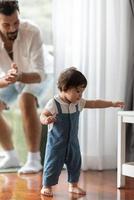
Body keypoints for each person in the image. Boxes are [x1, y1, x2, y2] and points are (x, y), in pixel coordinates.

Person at [40, 67, 124, 197]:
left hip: (73, 142)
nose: (80, 95)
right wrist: (46, 120)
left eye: (82, 92)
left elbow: (95, 103)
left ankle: (73, 185)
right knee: (52, 164)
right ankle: (47, 186)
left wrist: (112, 103)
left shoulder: (78, 103)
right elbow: (43, 115)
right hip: (56, 144)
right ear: (64, 88)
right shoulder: (54, 103)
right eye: (77, 91)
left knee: (75, 163)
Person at [0, 0, 46, 174]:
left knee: (25, 99)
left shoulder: (31, 31)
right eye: (6, 24)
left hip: (38, 77)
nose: (12, 28)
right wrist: (8, 79)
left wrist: (20, 77)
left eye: (16, 22)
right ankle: (10, 156)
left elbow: (40, 73)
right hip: (11, 78)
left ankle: (35, 160)